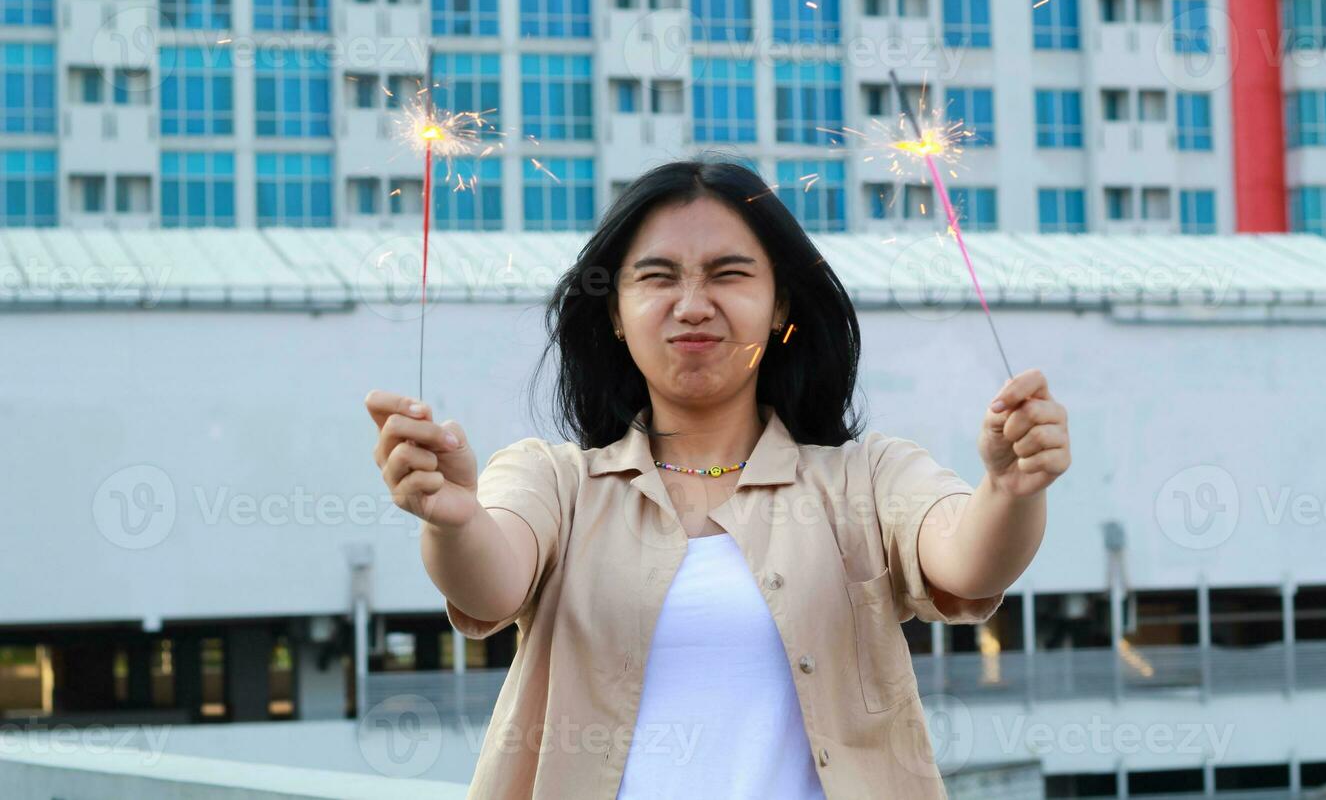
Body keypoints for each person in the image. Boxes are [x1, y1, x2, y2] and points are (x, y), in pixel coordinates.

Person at [366, 158, 1071, 799]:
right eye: (658, 276)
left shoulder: (867, 477)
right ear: (614, 310)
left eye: (729, 274)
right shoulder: (554, 481)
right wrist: (452, 518)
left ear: (781, 306)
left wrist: (1011, 489)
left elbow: (968, 559)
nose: (694, 304)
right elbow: (489, 578)